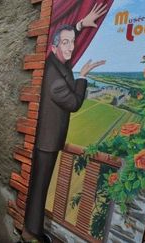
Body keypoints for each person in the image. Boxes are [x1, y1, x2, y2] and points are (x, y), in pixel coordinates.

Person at [23, 9, 107, 243]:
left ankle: (32, 228)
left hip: (46, 140)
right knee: (40, 188)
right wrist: (83, 75)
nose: (71, 48)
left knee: (39, 186)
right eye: (66, 43)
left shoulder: (53, 59)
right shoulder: (56, 79)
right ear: (54, 46)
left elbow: (63, 40)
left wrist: (80, 25)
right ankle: (33, 231)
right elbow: (74, 103)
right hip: (47, 143)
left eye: (72, 43)